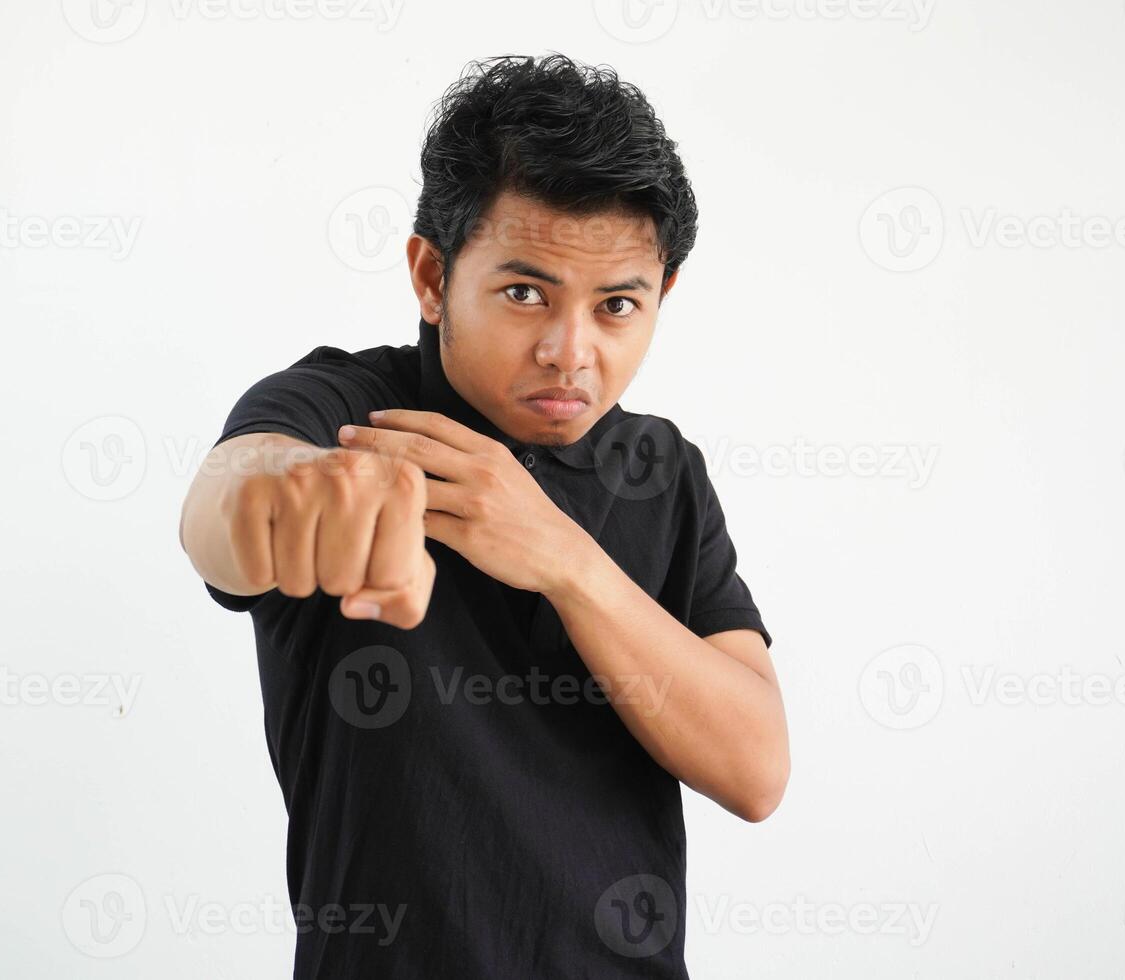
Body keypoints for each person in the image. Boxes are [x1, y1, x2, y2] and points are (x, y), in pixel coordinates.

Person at [179, 53, 789, 979]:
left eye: (617, 306)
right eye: (524, 293)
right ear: (431, 277)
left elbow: (756, 769)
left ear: (661, 299)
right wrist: (286, 489)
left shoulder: (661, 472)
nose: (569, 352)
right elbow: (230, 503)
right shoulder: (348, 410)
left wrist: (564, 560)